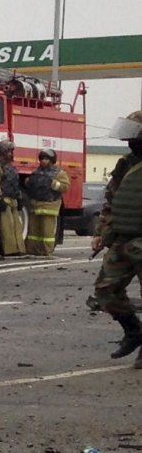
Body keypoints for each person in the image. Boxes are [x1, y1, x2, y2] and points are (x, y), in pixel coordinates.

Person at [88, 113, 142, 359]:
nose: (130, 141)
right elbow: (112, 199)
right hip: (124, 239)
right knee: (105, 291)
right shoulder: (126, 164)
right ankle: (133, 331)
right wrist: (101, 233)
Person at [23, 148, 66, 258]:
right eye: (41, 158)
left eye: (46, 159)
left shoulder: (59, 173)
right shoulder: (36, 173)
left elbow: (65, 187)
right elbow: (29, 185)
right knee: (33, 231)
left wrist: (53, 183)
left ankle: (47, 251)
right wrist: (29, 182)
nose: (43, 161)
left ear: (52, 160)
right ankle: (32, 250)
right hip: (36, 205)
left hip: (50, 205)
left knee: (47, 232)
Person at [0, 140, 27, 258]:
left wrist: (20, 197)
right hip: (4, 200)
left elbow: (15, 184)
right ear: (1, 153)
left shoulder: (10, 167)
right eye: (8, 152)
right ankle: (8, 250)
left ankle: (18, 248)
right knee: (6, 227)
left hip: (13, 200)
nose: (11, 154)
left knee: (16, 227)